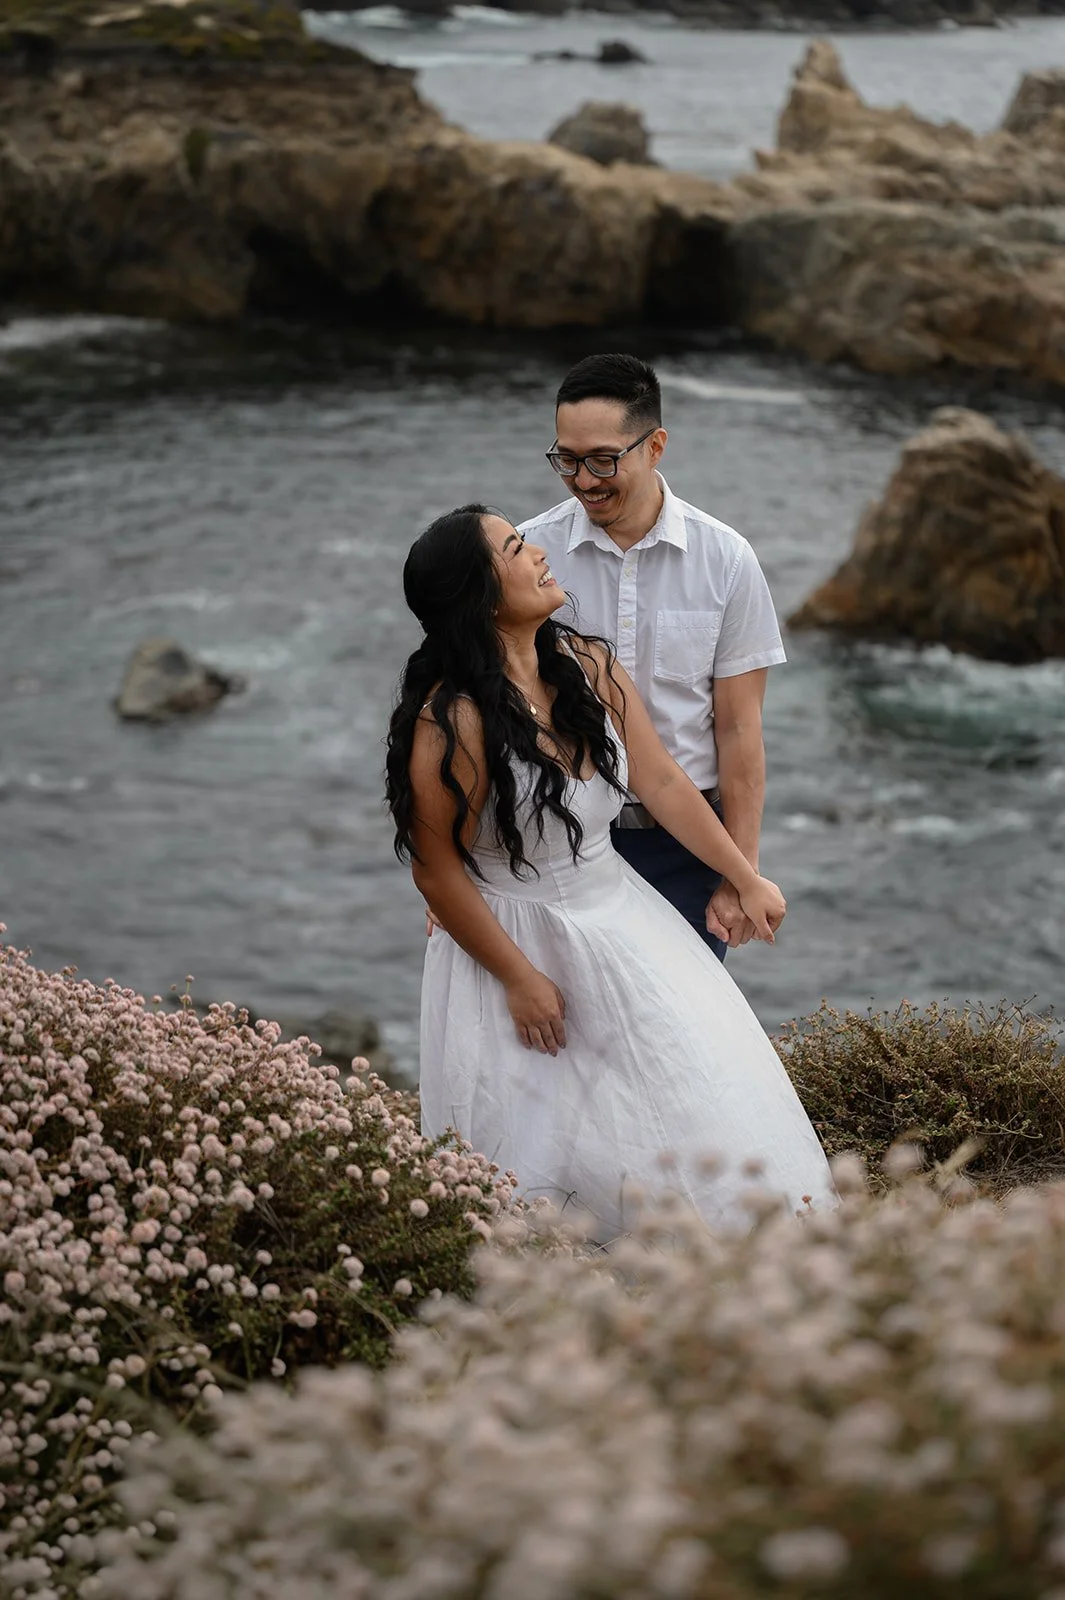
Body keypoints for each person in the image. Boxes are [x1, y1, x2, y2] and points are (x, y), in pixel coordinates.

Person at [385, 504, 834, 1240]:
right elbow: (436, 874)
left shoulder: (587, 665)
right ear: (481, 594)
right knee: (540, 1134)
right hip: (513, 939)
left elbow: (660, 782)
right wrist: (520, 979)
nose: (537, 554)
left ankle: (711, 1252)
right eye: (513, 549)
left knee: (681, 1084)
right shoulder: (451, 721)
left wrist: (743, 874)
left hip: (622, 912)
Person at [519, 353, 786, 960]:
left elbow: (741, 731)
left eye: (603, 459)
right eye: (567, 459)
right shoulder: (529, 553)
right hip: (556, 842)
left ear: (656, 445)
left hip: (686, 854)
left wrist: (738, 872)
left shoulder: (727, 560)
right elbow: (484, 704)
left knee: (679, 1045)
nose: (584, 479)